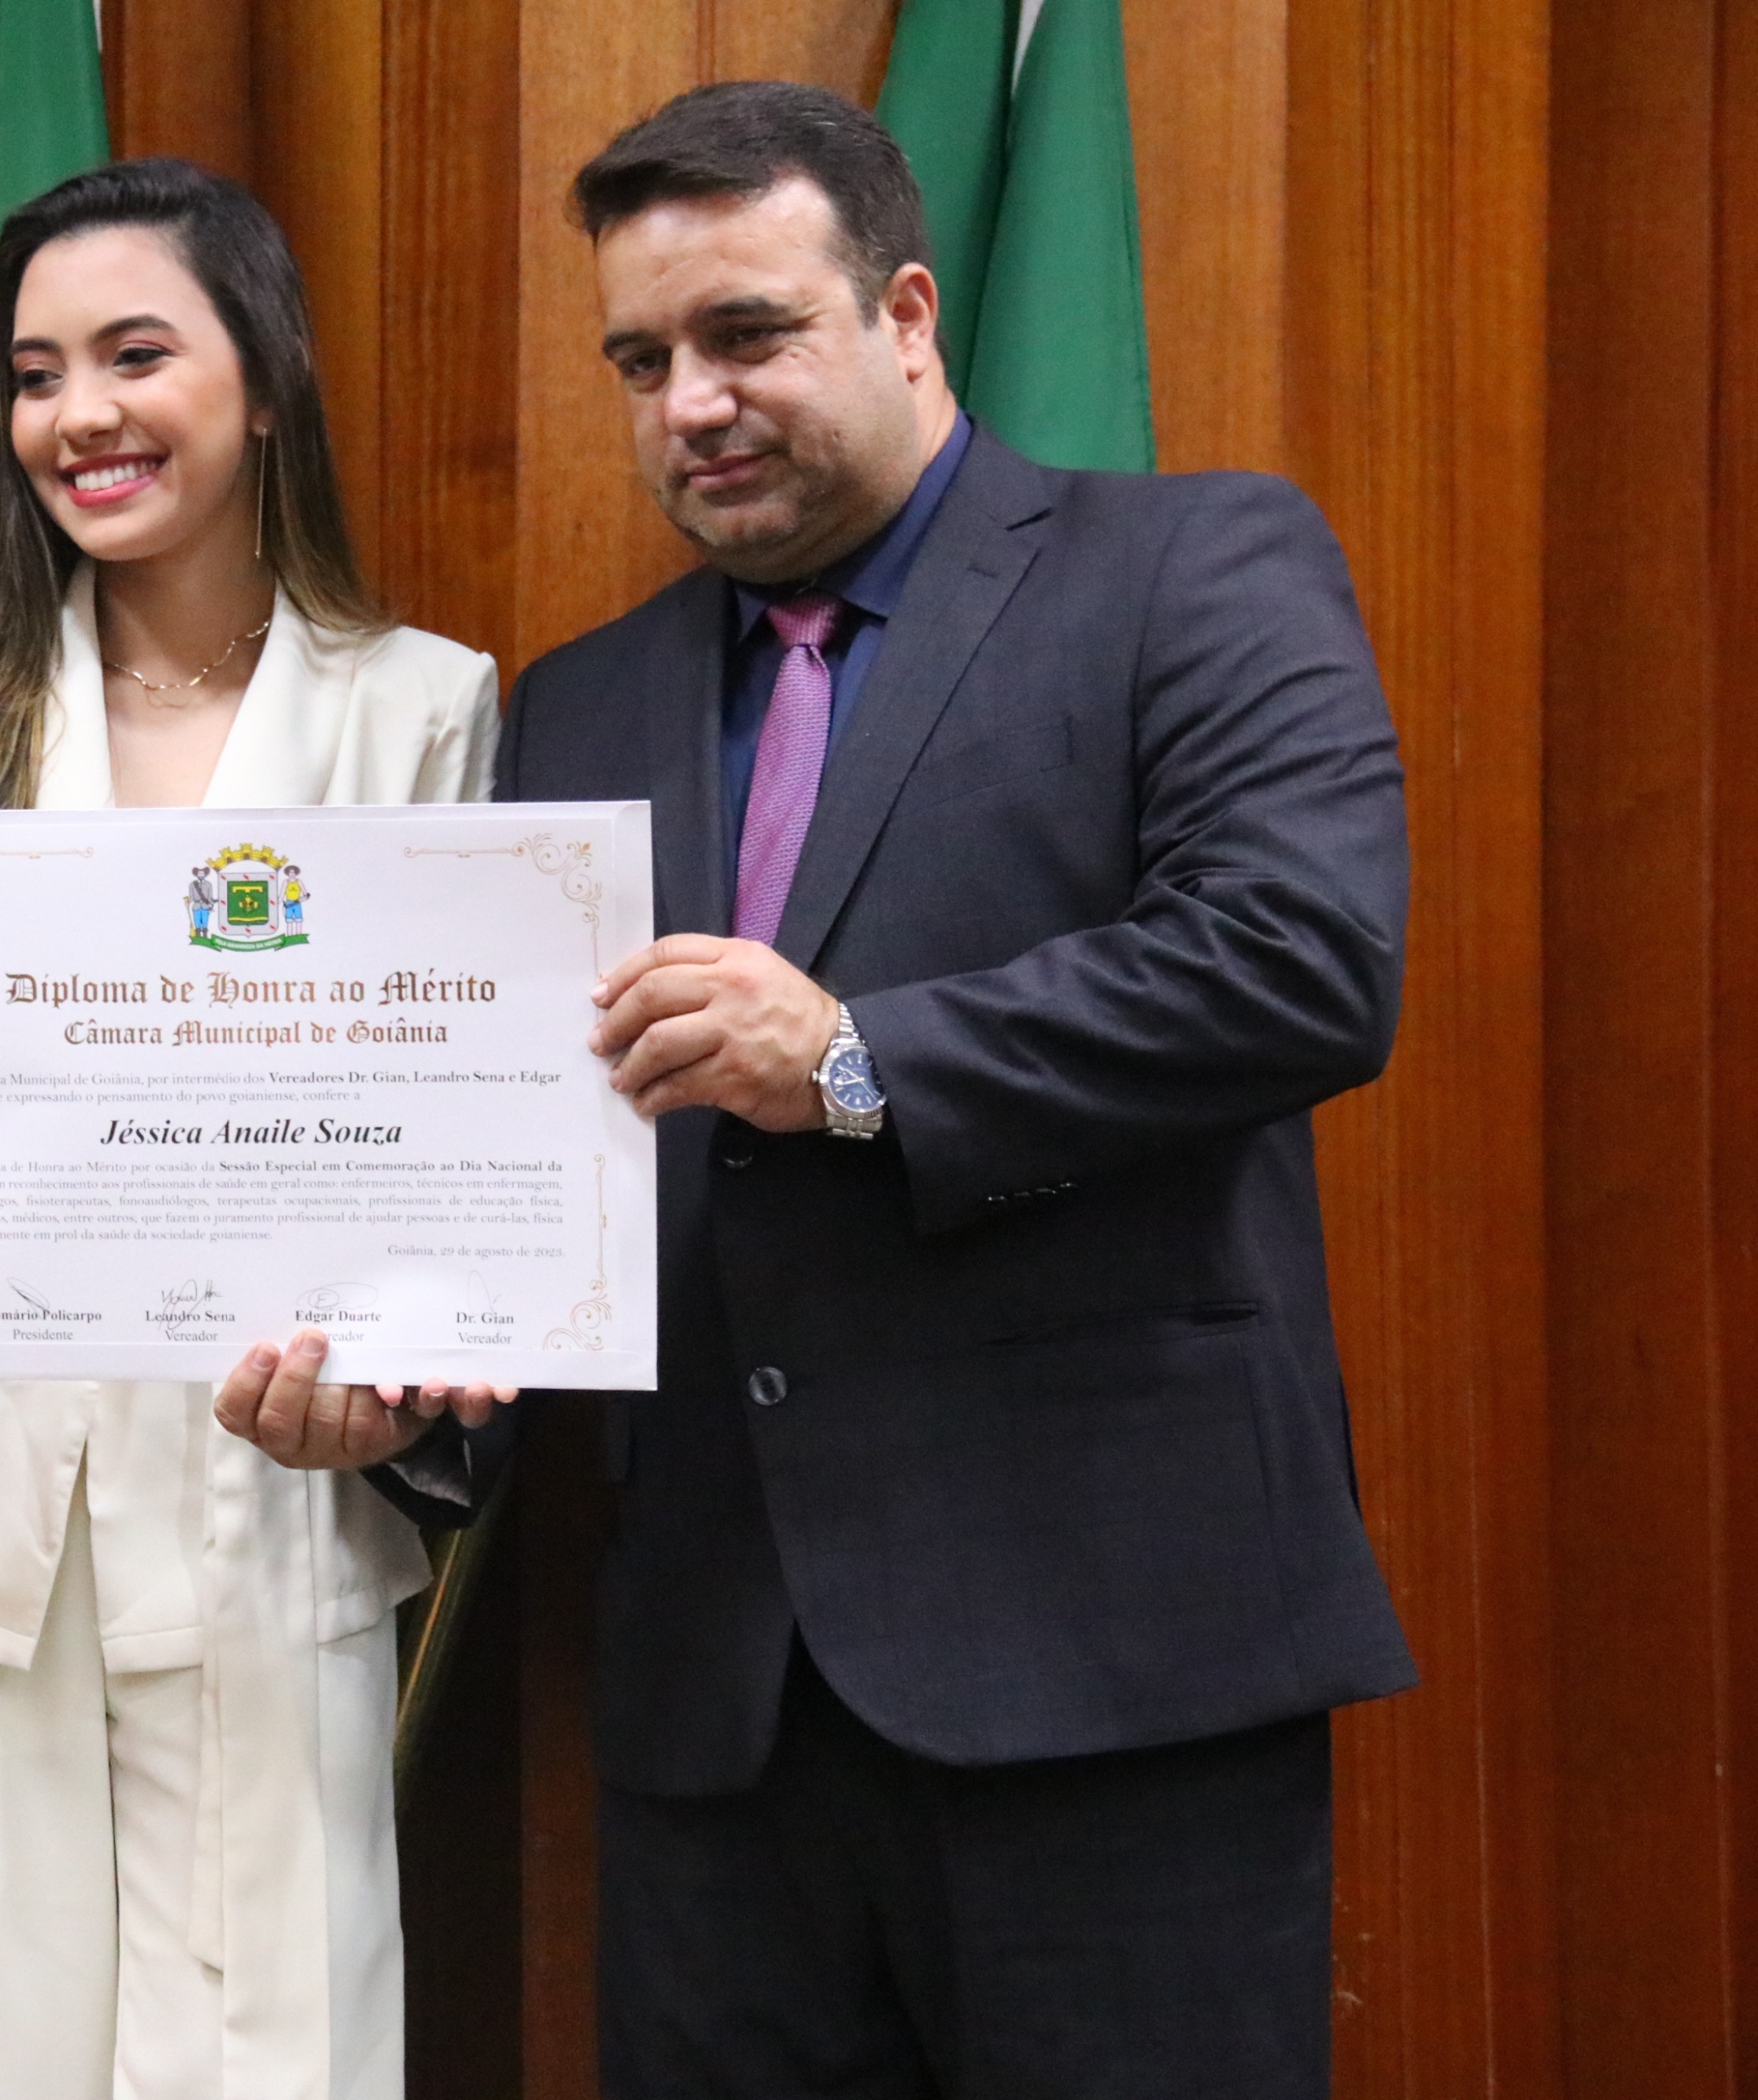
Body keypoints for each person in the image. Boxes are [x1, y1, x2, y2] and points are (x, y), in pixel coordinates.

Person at [240, 81, 1416, 2095]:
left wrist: (856, 1058)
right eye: (640, 360)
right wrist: (409, 1385)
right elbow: (538, 1159)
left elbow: (1297, 961)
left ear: (905, 313)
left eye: (745, 335)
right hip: (718, 1712)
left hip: (1107, 1676)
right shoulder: (583, 701)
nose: (688, 404)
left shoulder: (1191, 565)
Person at [0, 159, 502, 2100]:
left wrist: (406, 1357)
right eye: (33, 374)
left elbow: (446, 1131)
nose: (76, 413)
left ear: (265, 377)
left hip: (265, 1519)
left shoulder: (423, 712)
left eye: (134, 355)